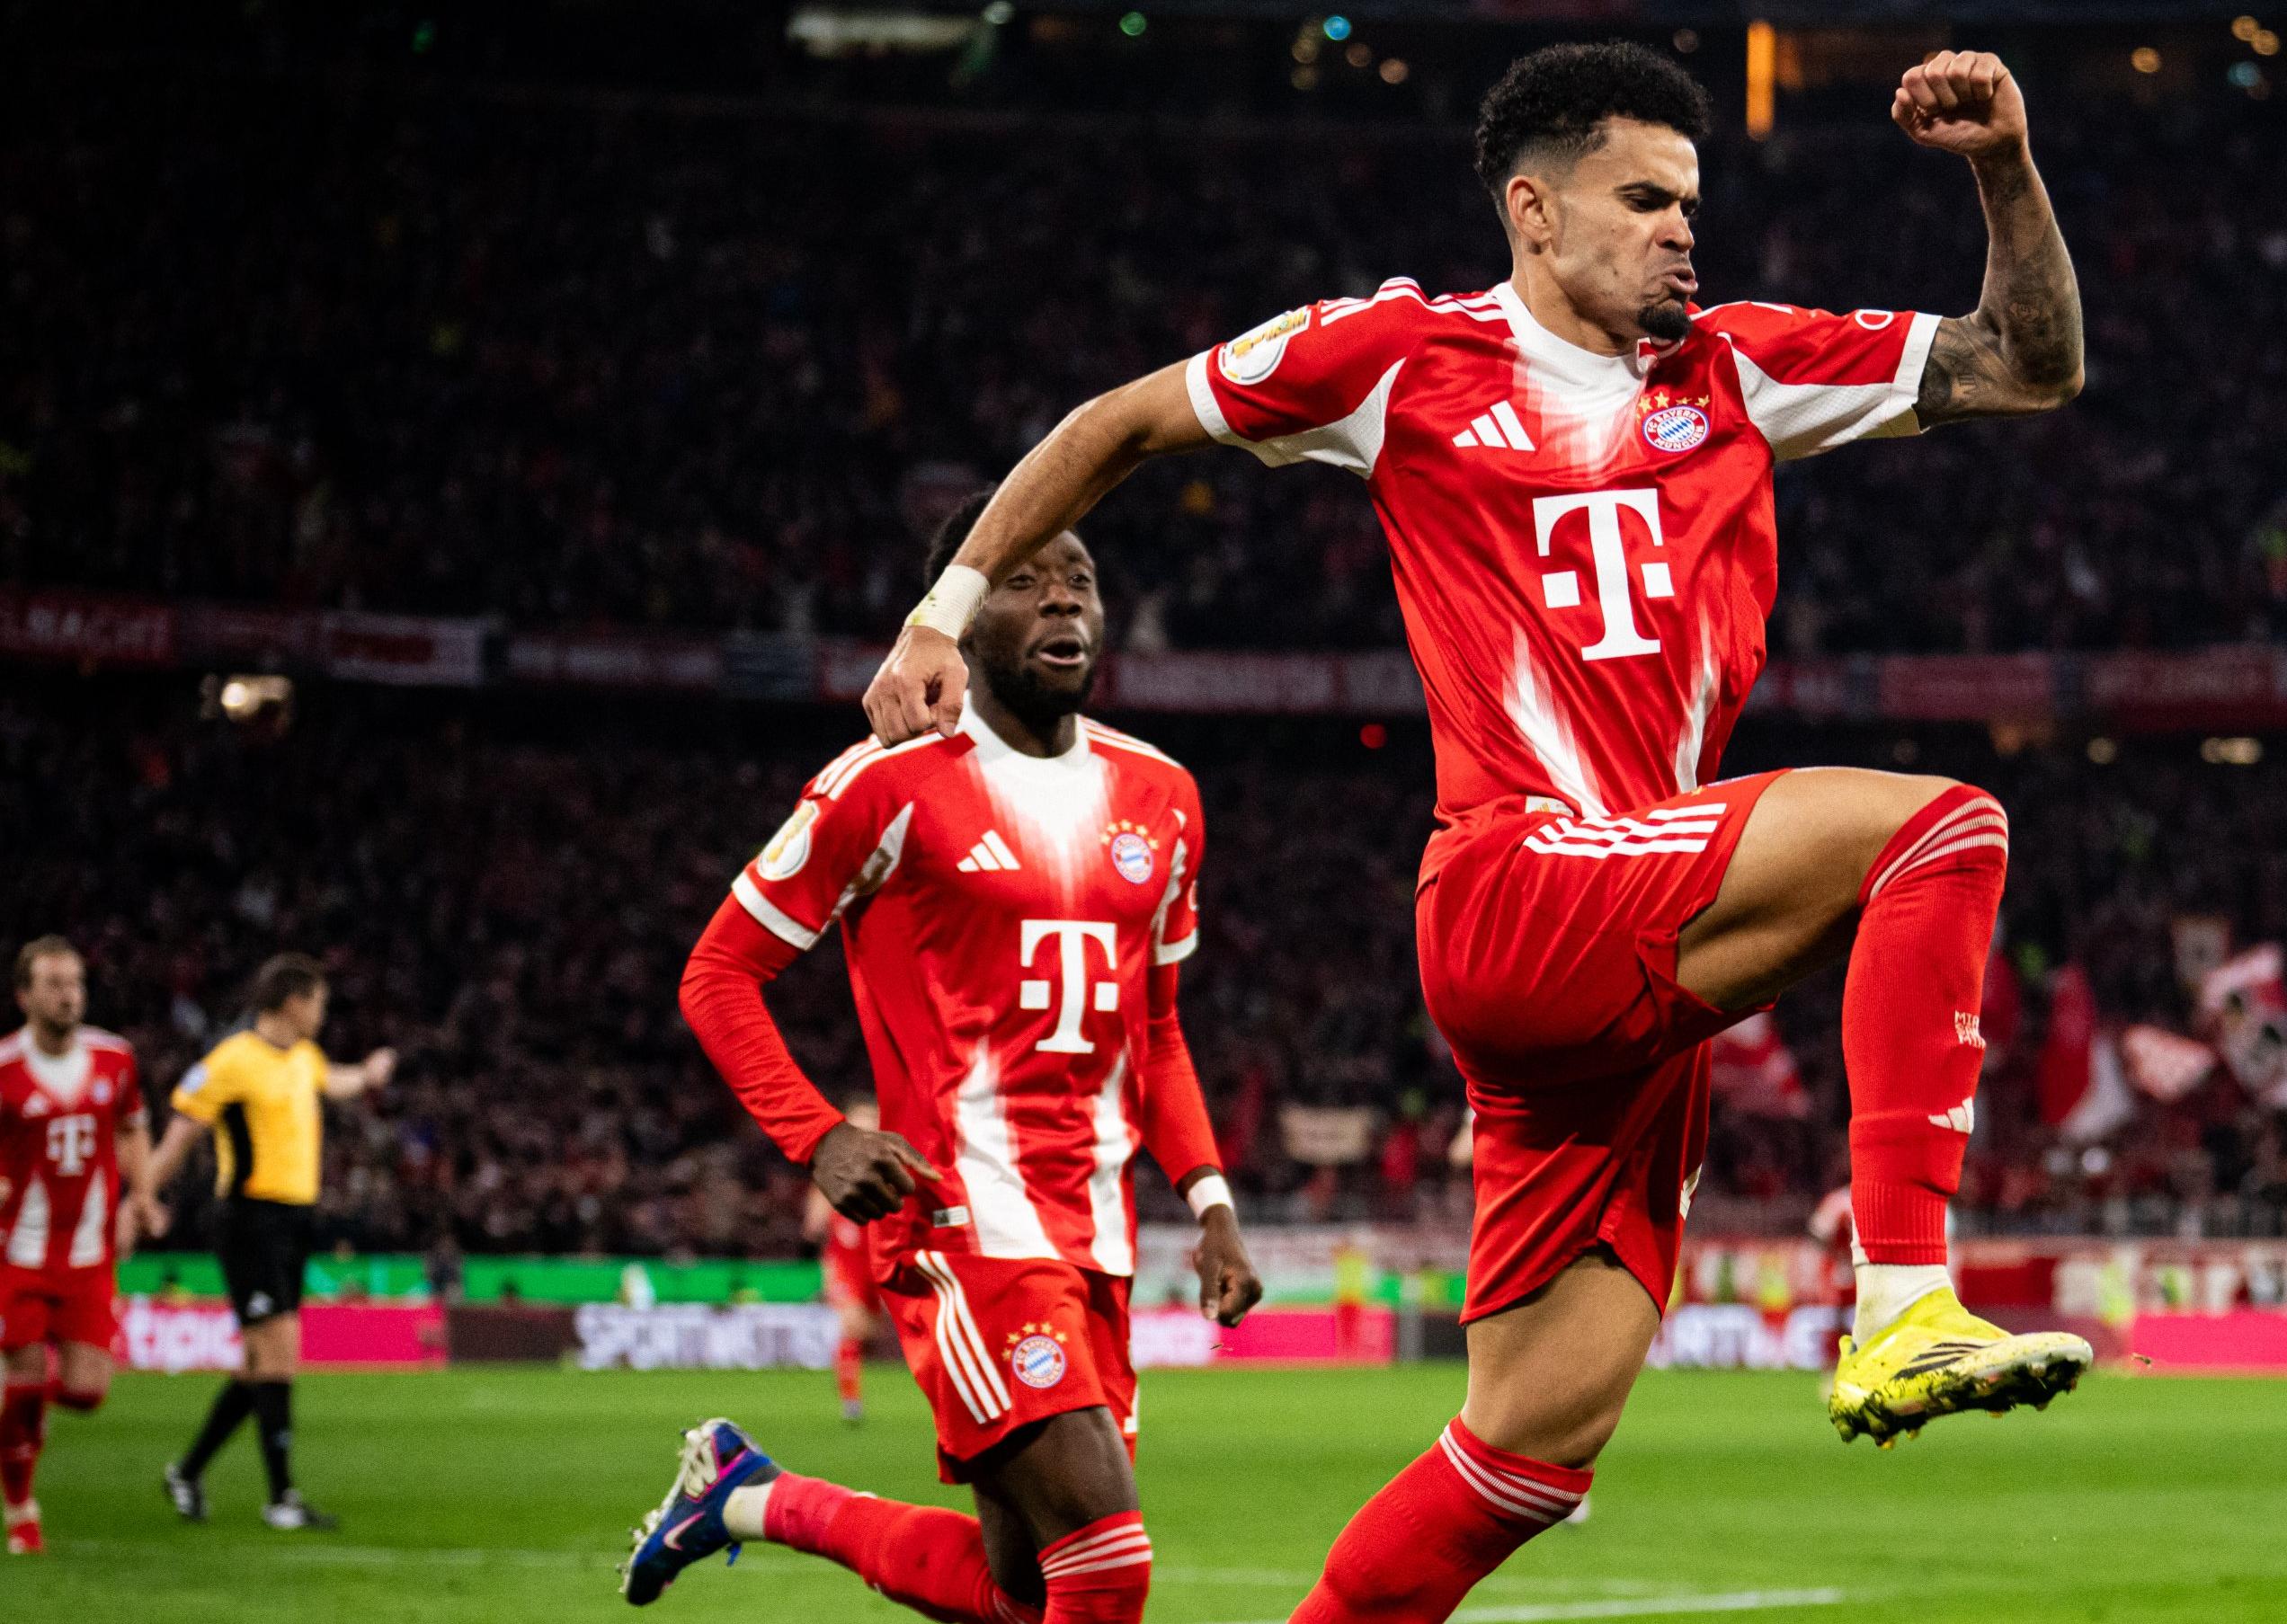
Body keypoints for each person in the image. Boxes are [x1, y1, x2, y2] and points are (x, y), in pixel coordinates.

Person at [850, 41, 2091, 1621]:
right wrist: (939, 610)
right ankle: (1906, 1297)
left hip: (1635, 943)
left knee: (1529, 1446)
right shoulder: (1396, 355)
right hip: (1520, 887)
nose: (1681, 232)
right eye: (1643, 200)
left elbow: (2025, 364)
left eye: (1690, 203)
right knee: (1944, 831)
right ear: (1532, 210)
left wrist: (2002, 165)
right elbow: (1115, 425)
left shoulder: (1741, 367)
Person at [626, 502, 1265, 1624]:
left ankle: (744, 1497)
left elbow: (1155, 1028)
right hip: (960, 1225)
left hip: (1097, 1236)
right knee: (1107, 1563)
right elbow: (718, 973)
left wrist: (1208, 1199)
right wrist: (818, 1134)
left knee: (1020, 1589)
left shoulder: (1163, 797)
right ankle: (742, 1496)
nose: (1063, 595)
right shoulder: (885, 785)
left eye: (1079, 579)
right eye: (1024, 580)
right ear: (961, 623)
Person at [140, 951, 393, 1531]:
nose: (324, 1015)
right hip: (249, 1218)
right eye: (320, 1003)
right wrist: (141, 1196)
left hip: (294, 1221)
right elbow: (180, 1135)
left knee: (264, 1363)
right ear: (293, 1002)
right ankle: (281, 1498)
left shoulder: (304, 1058)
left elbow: (338, 1081)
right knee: (278, 1353)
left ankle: (189, 1471)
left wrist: (372, 1072)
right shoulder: (232, 1060)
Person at [0, 938, 149, 1554]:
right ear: (25, 994)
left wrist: (140, 1198)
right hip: (20, 1256)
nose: (68, 994)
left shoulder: (115, 1058)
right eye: (54, 983)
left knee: (87, 1391)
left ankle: (16, 1403)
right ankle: (22, 1513)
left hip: (89, 1255)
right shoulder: (4, 1068)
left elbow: (133, 1126)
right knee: (29, 1376)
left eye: (76, 982)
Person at [806, 1096, 885, 1425]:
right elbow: (814, 1227)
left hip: (880, 1265)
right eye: (859, 1124)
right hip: (846, 1265)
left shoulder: (891, 1171)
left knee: (869, 1332)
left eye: (872, 1124)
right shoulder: (831, 1173)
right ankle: (851, 1404)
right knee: (851, 1328)